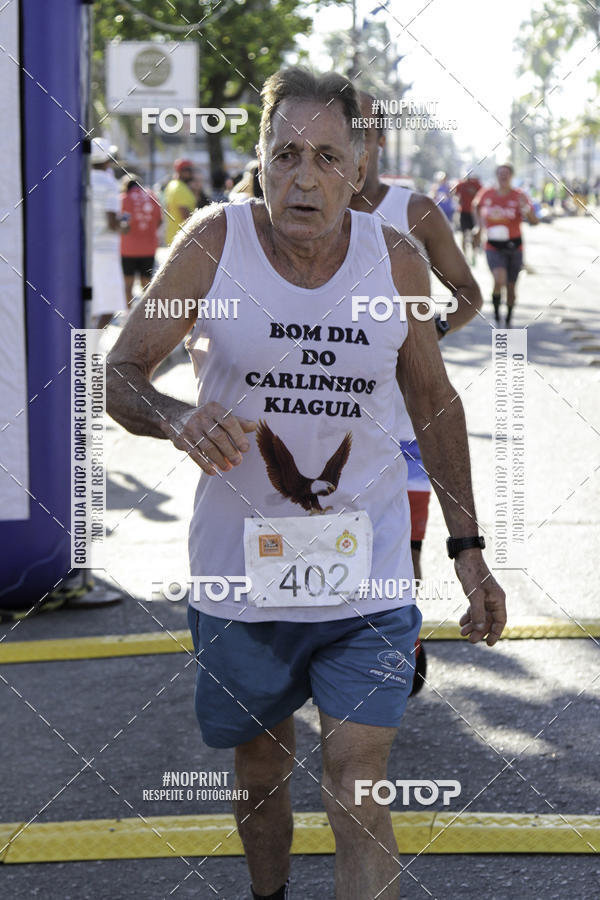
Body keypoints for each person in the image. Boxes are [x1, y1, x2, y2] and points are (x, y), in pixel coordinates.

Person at [107, 67, 506, 900]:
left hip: (367, 568)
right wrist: (177, 417)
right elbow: (121, 373)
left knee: (359, 781)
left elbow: (434, 403)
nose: (305, 176)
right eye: (285, 154)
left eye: (327, 156)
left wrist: (468, 548)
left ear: (357, 172)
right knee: (260, 774)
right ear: (260, 160)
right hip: (239, 577)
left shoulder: (395, 261)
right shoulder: (215, 244)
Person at [350, 93, 483, 585]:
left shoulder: (416, 210)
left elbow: (468, 292)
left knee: (403, 560)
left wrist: (433, 329)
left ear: (379, 140)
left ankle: (402, 656)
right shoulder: (304, 215)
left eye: (362, 131)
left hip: (403, 424)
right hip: (331, 422)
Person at [472, 163, 538, 327]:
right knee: (499, 280)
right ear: (497, 176)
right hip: (493, 247)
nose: (503, 176)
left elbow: (534, 221)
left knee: (511, 290)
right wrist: (479, 226)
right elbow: (475, 205)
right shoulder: (487, 193)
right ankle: (496, 316)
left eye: (506, 174)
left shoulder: (519, 195)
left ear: (511, 176)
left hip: (515, 247)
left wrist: (527, 210)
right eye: (500, 173)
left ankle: (508, 318)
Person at [89, 137, 128, 329]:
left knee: (92, 306)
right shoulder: (110, 183)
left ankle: (82, 353)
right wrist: (124, 226)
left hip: (87, 250)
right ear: (107, 160)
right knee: (109, 307)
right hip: (106, 251)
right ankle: (90, 349)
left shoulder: (83, 179)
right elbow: (112, 221)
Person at [120, 176, 162, 306]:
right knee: (147, 284)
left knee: (128, 284)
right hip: (149, 247)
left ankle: (129, 314)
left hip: (128, 249)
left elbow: (123, 224)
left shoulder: (124, 198)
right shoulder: (153, 197)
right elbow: (159, 221)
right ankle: (148, 314)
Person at [163, 159, 197, 245]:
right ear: (182, 171)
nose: (192, 173)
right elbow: (186, 216)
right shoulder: (179, 188)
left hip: (175, 237)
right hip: (182, 240)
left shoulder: (172, 184)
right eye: (190, 170)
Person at [455, 171, 482, 260]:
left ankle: (474, 254)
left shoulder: (476, 184)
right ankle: (465, 256)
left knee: (475, 234)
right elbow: (455, 194)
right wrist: (458, 200)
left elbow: (482, 195)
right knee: (463, 234)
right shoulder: (460, 184)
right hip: (463, 213)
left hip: (473, 213)